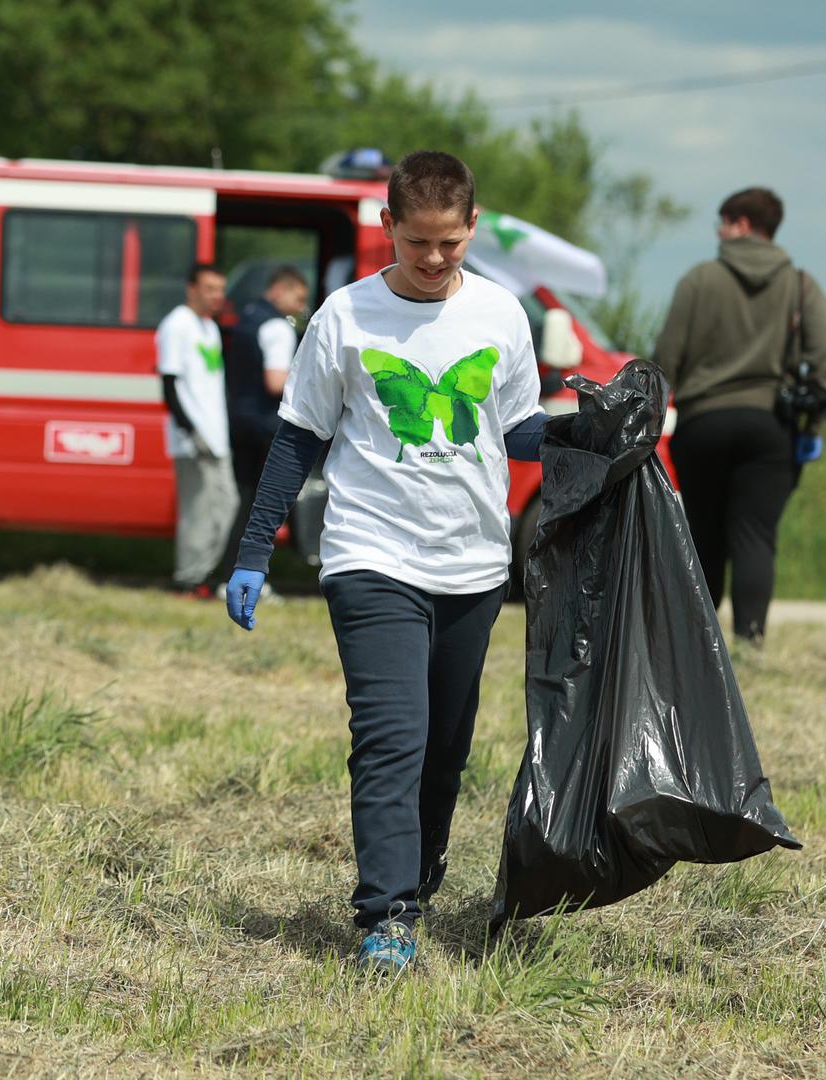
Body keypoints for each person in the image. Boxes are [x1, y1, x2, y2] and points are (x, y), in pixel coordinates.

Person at [221, 150, 549, 974]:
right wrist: (254, 549)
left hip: (473, 565)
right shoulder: (344, 318)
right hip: (371, 553)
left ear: (471, 227)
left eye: (450, 244)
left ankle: (420, 868)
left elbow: (516, 434)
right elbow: (299, 436)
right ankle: (387, 914)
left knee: (445, 749)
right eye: (417, 244)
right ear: (386, 229)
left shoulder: (502, 317)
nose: (434, 261)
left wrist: (593, 430)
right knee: (390, 739)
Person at [650, 187, 826, 645]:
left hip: (703, 425)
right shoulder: (801, 286)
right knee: (755, 536)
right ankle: (750, 641)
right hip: (768, 426)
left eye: (723, 221)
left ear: (744, 224)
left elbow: (664, 360)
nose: (718, 231)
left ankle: (699, 645)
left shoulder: (699, 280)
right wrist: (811, 428)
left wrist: (648, 419)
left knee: (704, 536)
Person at [222, 266, 309, 589]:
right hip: (265, 425)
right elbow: (275, 382)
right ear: (279, 290)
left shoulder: (247, 318)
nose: (301, 307)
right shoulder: (277, 327)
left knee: (243, 502)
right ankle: (250, 572)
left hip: (240, 420)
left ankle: (225, 574)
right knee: (263, 507)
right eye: (298, 298)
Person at [157, 263, 237, 597]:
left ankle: (202, 572)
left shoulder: (210, 328)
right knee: (198, 512)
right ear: (192, 289)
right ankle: (188, 578)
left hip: (217, 437)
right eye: (210, 289)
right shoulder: (177, 325)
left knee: (226, 505)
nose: (217, 296)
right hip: (193, 440)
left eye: (220, 289)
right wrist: (190, 431)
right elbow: (169, 385)